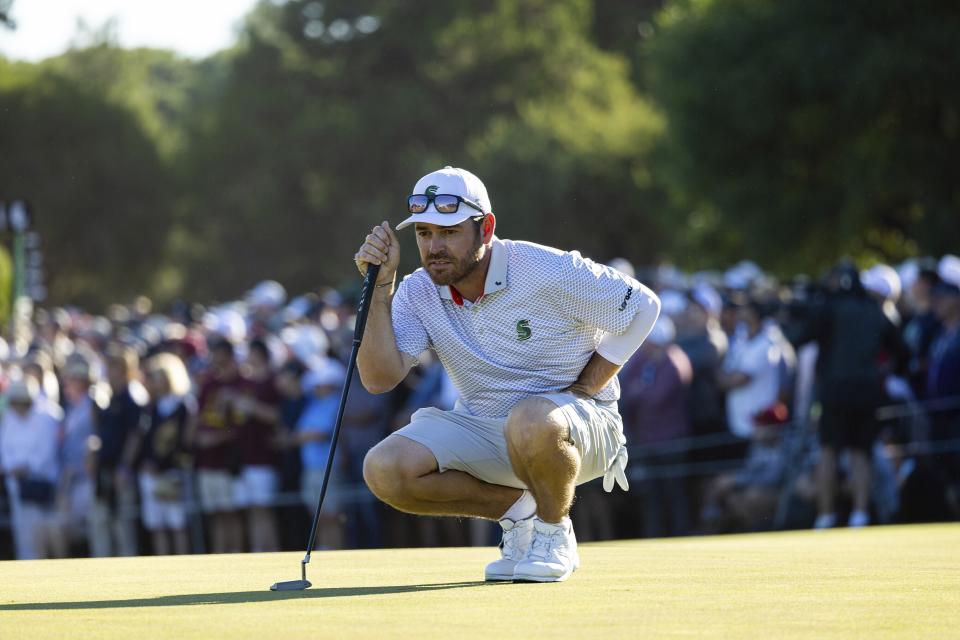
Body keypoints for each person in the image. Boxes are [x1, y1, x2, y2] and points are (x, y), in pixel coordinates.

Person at [354, 166, 660, 582]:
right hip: (486, 427)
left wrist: (589, 385)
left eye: (449, 232)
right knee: (384, 469)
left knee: (530, 418)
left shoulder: (544, 268)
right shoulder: (418, 288)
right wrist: (381, 288)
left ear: (486, 229)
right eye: (424, 234)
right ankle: (521, 515)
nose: (434, 247)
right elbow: (378, 379)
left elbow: (643, 305)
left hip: (580, 429)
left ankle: (554, 534)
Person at [793, 263, 906, 529]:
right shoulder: (873, 309)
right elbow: (900, 349)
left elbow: (802, 336)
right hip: (866, 390)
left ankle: (825, 514)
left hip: (834, 391)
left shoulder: (830, 307)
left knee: (828, 451)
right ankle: (860, 513)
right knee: (860, 452)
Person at [619, 316, 693, 538]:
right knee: (652, 495)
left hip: (671, 440)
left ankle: (680, 535)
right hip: (647, 439)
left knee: (674, 493)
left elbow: (655, 397)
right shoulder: (645, 358)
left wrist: (638, 389)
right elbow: (624, 388)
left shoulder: (674, 361)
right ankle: (654, 536)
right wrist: (639, 389)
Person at [88, 345, 145, 557]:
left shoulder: (132, 398)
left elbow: (134, 435)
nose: (109, 372)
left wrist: (124, 468)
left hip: (120, 471)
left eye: (114, 367)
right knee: (101, 521)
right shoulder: (109, 398)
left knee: (123, 525)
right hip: (105, 470)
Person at [0, 376, 65, 559]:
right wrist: (11, 468)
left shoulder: (46, 417)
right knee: (24, 537)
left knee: (46, 536)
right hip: (17, 487)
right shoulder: (9, 419)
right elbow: (5, 449)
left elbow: (46, 453)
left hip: (43, 486)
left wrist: (25, 468)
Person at [137, 353, 195, 555]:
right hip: (152, 471)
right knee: (157, 525)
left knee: (177, 523)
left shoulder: (183, 405)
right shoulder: (152, 407)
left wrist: (167, 463)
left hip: (173, 471)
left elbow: (184, 441)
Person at [191, 338, 244, 553]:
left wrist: (219, 438)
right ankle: (221, 555)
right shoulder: (208, 384)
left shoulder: (240, 383)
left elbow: (240, 426)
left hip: (228, 460)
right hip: (207, 459)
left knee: (231, 512)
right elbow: (200, 417)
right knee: (215, 514)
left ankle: (237, 554)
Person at [233, 339, 283, 553]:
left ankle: (270, 553)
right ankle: (257, 553)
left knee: (264, 510)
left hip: (264, 457)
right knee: (252, 510)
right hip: (245, 456)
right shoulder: (246, 384)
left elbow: (276, 416)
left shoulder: (273, 382)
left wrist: (252, 407)